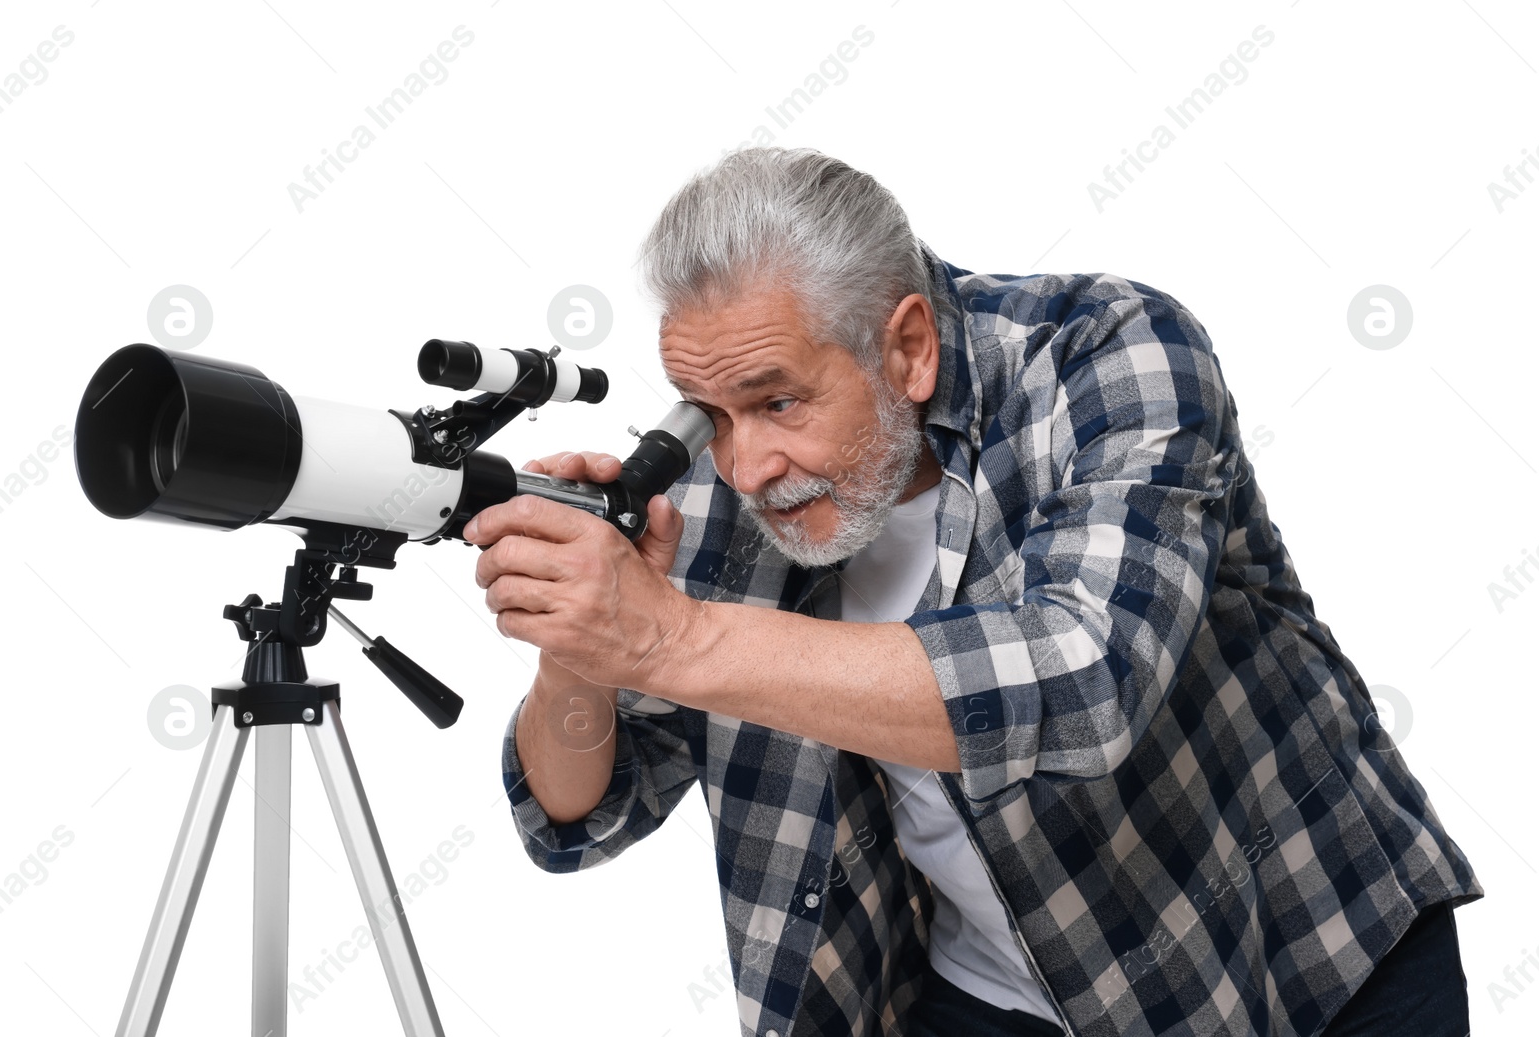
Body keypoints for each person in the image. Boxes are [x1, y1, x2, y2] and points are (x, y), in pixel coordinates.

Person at [465, 148, 1481, 1037]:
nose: (744, 468)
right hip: (985, 994)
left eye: (778, 401)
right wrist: (583, 631)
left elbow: (1083, 677)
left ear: (906, 347)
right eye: (714, 413)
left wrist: (669, 637)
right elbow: (576, 819)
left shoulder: (1110, 352)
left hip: (1301, 956)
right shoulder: (714, 488)